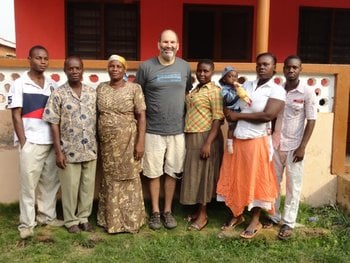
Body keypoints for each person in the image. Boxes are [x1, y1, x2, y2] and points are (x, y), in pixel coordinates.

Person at [217, 52, 286, 239]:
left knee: (256, 179)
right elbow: (233, 104)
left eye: (266, 64)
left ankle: (255, 219)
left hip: (258, 140)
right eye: (259, 64)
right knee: (237, 177)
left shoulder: (277, 90)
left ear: (274, 68)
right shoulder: (247, 84)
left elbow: (267, 115)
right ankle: (237, 214)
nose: (262, 67)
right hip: (239, 138)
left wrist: (238, 116)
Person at [135, 29, 192, 230]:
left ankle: (168, 211)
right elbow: (137, 96)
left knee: (172, 171)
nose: (169, 45)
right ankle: (155, 212)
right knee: (153, 173)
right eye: (165, 42)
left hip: (177, 130)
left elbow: (187, 92)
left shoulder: (184, 67)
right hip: (152, 130)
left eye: (172, 42)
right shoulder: (146, 67)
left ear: (178, 45)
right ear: (158, 44)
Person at [7, 45, 62, 239]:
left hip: (50, 142)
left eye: (45, 58)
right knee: (28, 186)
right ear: (29, 59)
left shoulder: (52, 84)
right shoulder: (20, 83)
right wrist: (24, 142)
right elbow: (15, 114)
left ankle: (47, 217)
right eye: (38, 58)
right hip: (31, 142)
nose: (43, 61)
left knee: (50, 183)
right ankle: (27, 224)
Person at [265, 55, 317, 240]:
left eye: (295, 67)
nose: (291, 71)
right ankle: (273, 215)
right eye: (288, 67)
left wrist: (302, 147)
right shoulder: (278, 91)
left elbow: (311, 121)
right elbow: (271, 115)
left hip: (295, 147)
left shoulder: (307, 93)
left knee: (293, 185)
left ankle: (288, 222)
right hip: (276, 144)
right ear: (283, 69)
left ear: (300, 69)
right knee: (273, 182)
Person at [43, 56, 97, 234]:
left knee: (87, 187)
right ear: (65, 70)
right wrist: (59, 152)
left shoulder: (92, 93)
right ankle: (70, 220)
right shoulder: (58, 94)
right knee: (70, 189)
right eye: (70, 68)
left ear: (83, 70)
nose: (74, 71)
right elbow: (53, 123)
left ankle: (83, 218)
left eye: (77, 68)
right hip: (68, 151)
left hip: (90, 149)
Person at [96, 54, 146, 234]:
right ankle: (111, 221)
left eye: (119, 66)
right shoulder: (100, 88)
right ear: (108, 69)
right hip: (107, 144)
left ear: (125, 69)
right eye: (112, 66)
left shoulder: (134, 88)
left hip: (129, 141)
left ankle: (131, 221)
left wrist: (140, 142)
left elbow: (141, 116)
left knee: (130, 177)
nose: (115, 69)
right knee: (110, 178)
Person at [180, 59, 224, 231]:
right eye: (199, 71)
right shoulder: (195, 89)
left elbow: (218, 118)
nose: (202, 74)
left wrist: (207, 143)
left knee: (205, 176)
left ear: (212, 72)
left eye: (206, 71)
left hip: (206, 137)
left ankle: (204, 215)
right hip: (192, 136)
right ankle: (199, 211)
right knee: (195, 175)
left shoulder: (214, 91)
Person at [219, 66, 240, 154]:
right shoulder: (224, 90)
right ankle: (229, 143)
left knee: (238, 127)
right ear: (224, 79)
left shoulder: (239, 87)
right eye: (230, 76)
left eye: (235, 76)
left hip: (239, 110)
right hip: (231, 111)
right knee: (231, 127)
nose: (233, 78)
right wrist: (236, 91)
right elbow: (228, 99)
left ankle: (236, 142)